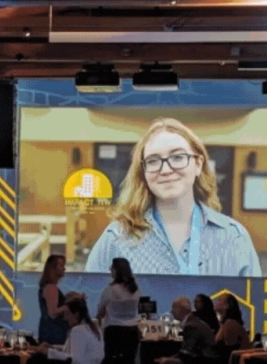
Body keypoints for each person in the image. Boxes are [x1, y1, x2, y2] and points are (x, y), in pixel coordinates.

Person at [87, 118, 261, 276]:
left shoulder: (234, 238)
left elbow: (253, 300)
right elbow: (90, 298)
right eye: (153, 161)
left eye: (177, 157)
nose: (165, 170)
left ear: (198, 164)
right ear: (143, 172)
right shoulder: (116, 238)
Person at [96, 257, 141, 364]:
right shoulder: (135, 289)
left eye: (112, 268)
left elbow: (100, 311)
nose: (110, 270)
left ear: (116, 270)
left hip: (114, 330)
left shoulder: (111, 289)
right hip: (132, 330)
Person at [38, 254, 69, 345]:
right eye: (61, 266)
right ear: (53, 268)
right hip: (54, 333)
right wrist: (69, 306)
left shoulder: (46, 287)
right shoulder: (51, 287)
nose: (64, 268)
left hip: (49, 331)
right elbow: (53, 312)